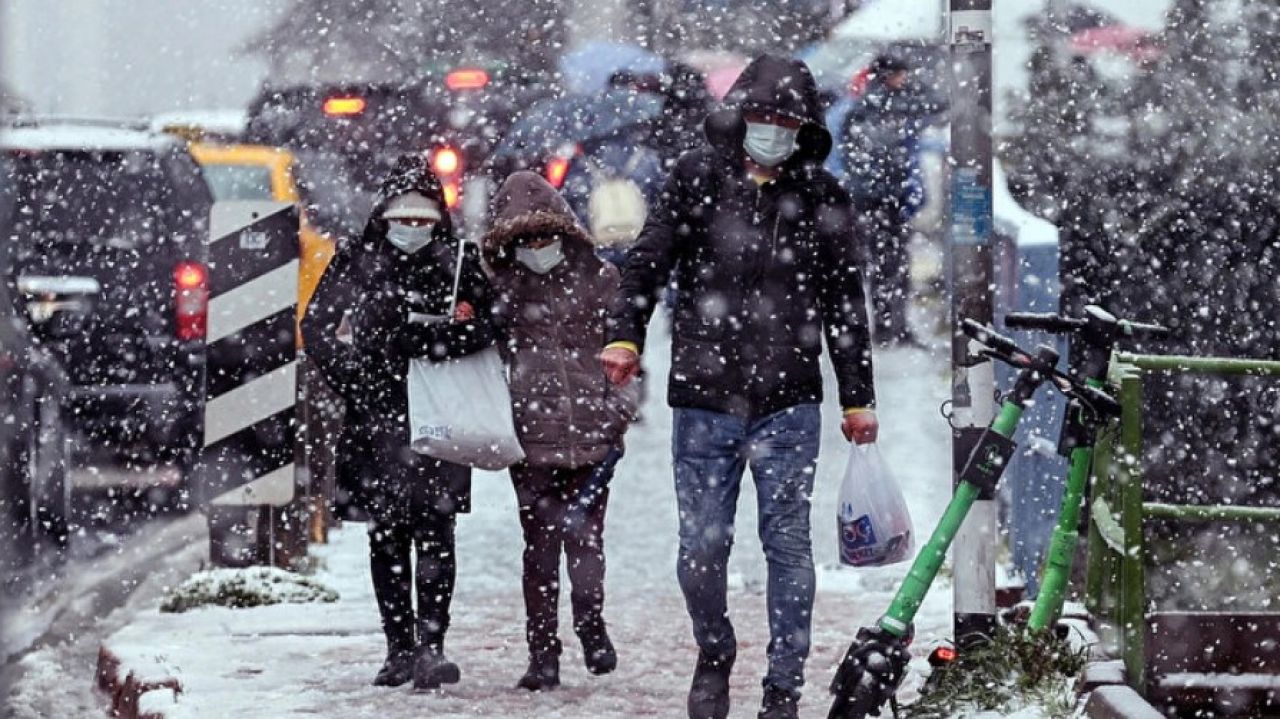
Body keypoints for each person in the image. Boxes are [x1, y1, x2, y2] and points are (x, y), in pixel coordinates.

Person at [600, 54, 880, 719]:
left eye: (787, 120)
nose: (772, 129)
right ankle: (714, 650)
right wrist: (625, 335)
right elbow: (648, 261)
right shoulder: (696, 178)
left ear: (804, 127)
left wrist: (858, 394)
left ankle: (784, 683)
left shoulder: (821, 197)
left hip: (789, 399)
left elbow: (845, 301)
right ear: (741, 115)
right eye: (763, 115)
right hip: (703, 395)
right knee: (702, 544)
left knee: (786, 541)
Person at [302, 154, 495, 690]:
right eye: (401, 220)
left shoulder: (459, 261)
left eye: (423, 220)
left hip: (440, 415)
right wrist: (352, 373)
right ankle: (398, 647)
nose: (412, 230)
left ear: (439, 220)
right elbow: (315, 325)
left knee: (436, 532)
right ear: (383, 218)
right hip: (374, 418)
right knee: (386, 536)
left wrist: (438, 340)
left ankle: (431, 645)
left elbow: (492, 323)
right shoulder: (357, 260)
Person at [482, 170, 638, 691]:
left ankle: (591, 625)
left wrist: (616, 414)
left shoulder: (600, 279)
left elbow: (629, 353)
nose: (537, 247)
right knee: (540, 549)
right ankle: (542, 651)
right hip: (530, 440)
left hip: (593, 435)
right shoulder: (499, 290)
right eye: (525, 239)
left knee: (586, 542)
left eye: (544, 236)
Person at [840, 53, 947, 346]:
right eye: (901, 74)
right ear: (889, 76)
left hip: (873, 200)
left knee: (883, 266)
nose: (905, 80)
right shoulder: (887, 106)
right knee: (892, 266)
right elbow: (936, 105)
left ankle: (888, 326)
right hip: (885, 200)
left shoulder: (863, 107)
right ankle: (893, 328)